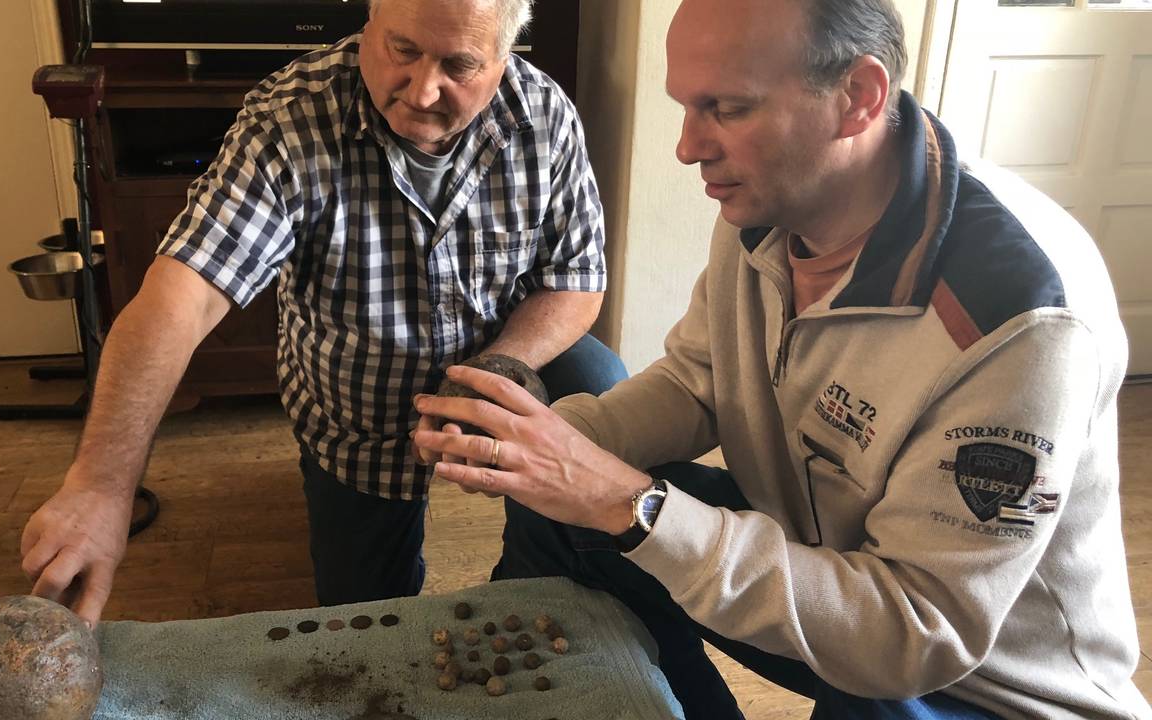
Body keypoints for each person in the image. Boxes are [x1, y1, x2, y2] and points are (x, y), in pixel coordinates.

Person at [411, 0, 1151, 717]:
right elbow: (698, 380)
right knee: (568, 514)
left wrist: (623, 501)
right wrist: (554, 448)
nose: (688, 146)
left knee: (855, 688)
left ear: (857, 97)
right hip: (832, 569)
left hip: (972, 684)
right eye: (686, 107)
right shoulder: (769, 202)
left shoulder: (1021, 317)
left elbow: (910, 636)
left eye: (727, 109)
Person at [19, 0, 627, 622]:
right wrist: (100, 486)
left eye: (459, 65)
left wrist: (500, 368)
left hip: (497, 370)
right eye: (403, 50)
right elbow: (183, 294)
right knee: (359, 618)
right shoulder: (288, 117)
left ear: (503, 60)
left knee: (601, 393)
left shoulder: (545, 113)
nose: (421, 92)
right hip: (352, 410)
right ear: (370, 22)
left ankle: (537, 580)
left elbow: (573, 282)